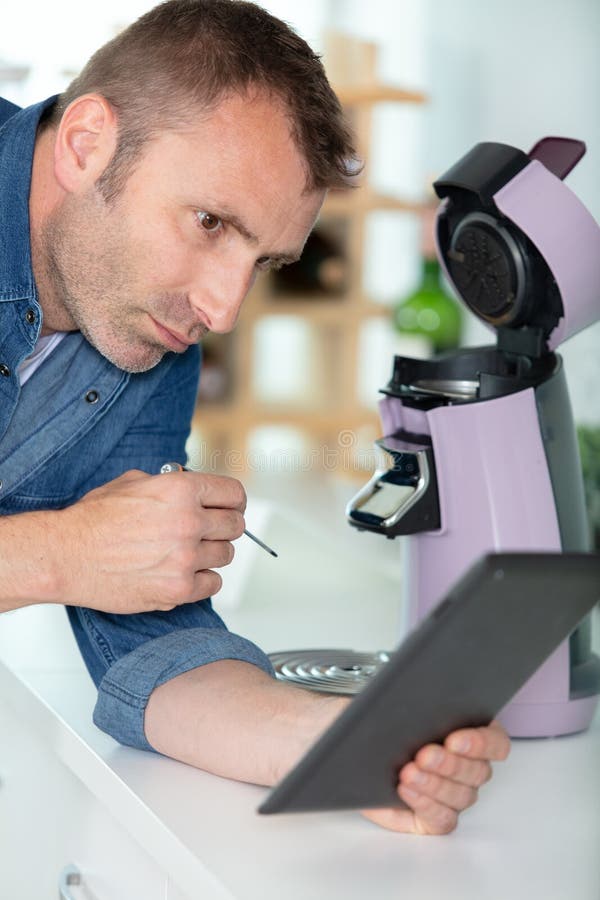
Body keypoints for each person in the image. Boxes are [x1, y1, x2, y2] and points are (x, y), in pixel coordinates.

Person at [0, 0, 509, 835]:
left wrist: (342, 747)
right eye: (208, 223)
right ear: (88, 144)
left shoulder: (146, 330)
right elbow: (76, 561)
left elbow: (152, 641)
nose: (224, 308)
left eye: (263, 261)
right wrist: (61, 554)